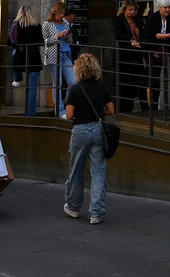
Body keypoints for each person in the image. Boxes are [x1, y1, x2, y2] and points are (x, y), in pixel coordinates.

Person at [62, 52, 113, 225]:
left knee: (76, 170)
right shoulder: (101, 87)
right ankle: (96, 213)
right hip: (98, 129)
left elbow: (69, 115)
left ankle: (74, 207)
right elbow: (111, 110)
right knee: (98, 173)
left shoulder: (75, 89)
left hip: (80, 131)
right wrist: (99, 111)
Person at [112, 0, 148, 114]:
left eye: (134, 10)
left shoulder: (137, 20)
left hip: (136, 55)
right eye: (130, 9)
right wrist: (130, 41)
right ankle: (123, 109)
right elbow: (119, 35)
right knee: (124, 84)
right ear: (124, 9)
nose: (132, 12)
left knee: (135, 84)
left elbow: (142, 35)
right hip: (124, 55)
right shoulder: (118, 20)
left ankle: (133, 108)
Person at [146, 0, 170, 110]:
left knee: (159, 77)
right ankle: (151, 106)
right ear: (160, 7)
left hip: (164, 50)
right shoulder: (154, 17)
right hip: (153, 50)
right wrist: (168, 35)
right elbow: (152, 34)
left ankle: (157, 105)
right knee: (153, 78)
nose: (167, 10)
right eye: (165, 7)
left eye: (169, 7)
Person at [42, 3, 75, 115]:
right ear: (54, 12)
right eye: (60, 13)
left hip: (66, 54)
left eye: (63, 13)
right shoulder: (47, 24)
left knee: (73, 82)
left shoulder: (66, 23)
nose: (62, 15)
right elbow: (45, 41)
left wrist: (67, 37)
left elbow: (70, 41)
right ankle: (60, 111)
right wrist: (57, 36)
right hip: (53, 56)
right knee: (58, 83)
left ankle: (67, 104)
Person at [11, 6, 41, 115]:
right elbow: (41, 41)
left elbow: (13, 40)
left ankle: (18, 78)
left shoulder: (16, 25)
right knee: (32, 89)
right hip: (34, 58)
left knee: (13, 54)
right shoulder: (37, 26)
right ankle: (31, 115)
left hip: (20, 58)